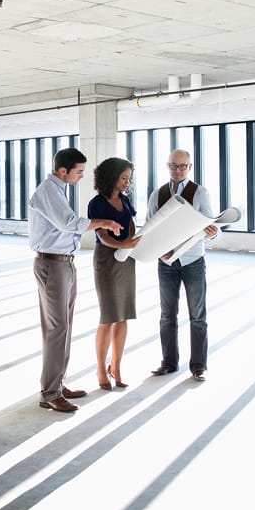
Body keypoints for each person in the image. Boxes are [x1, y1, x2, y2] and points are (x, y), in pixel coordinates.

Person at [28, 147, 123, 412]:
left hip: (64, 263)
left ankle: (57, 384)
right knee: (57, 329)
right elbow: (68, 223)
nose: (81, 176)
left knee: (64, 327)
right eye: (79, 172)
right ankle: (50, 393)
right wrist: (104, 222)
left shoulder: (59, 189)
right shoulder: (49, 190)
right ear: (63, 171)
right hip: (52, 264)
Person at [145, 148, 219, 381]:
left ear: (190, 167)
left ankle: (198, 366)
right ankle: (169, 363)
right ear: (167, 166)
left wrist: (213, 233)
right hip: (166, 263)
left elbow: (212, 227)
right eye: (173, 166)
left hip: (193, 261)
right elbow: (149, 227)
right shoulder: (157, 194)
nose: (177, 170)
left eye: (182, 166)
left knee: (197, 316)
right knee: (167, 315)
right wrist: (158, 250)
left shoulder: (200, 193)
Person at [87, 157, 142, 390]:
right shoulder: (97, 203)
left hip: (127, 258)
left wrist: (133, 242)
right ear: (111, 177)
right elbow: (101, 235)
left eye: (129, 178)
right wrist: (122, 245)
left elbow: (131, 224)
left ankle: (116, 367)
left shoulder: (125, 199)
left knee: (123, 316)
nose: (127, 182)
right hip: (107, 260)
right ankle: (101, 368)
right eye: (123, 177)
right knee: (108, 316)